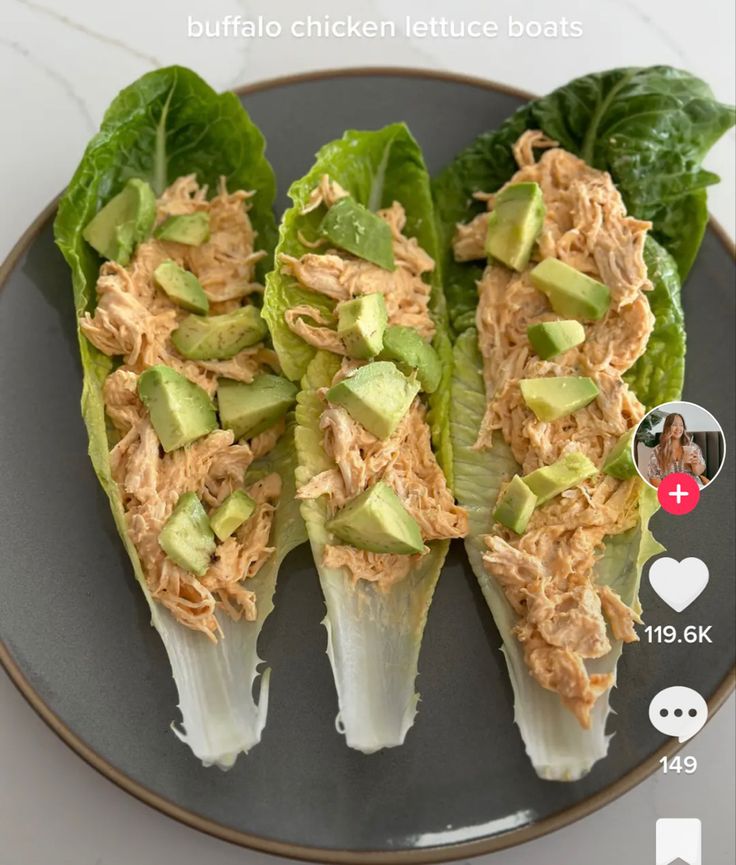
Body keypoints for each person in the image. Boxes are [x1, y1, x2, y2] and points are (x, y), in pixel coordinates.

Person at [647, 412, 707, 487]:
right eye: (674, 425)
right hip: (669, 488)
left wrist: (695, 465)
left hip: (693, 486)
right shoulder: (657, 451)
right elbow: (653, 477)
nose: (678, 428)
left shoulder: (692, 447)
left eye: (681, 425)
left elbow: (698, 472)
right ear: (667, 427)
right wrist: (666, 490)